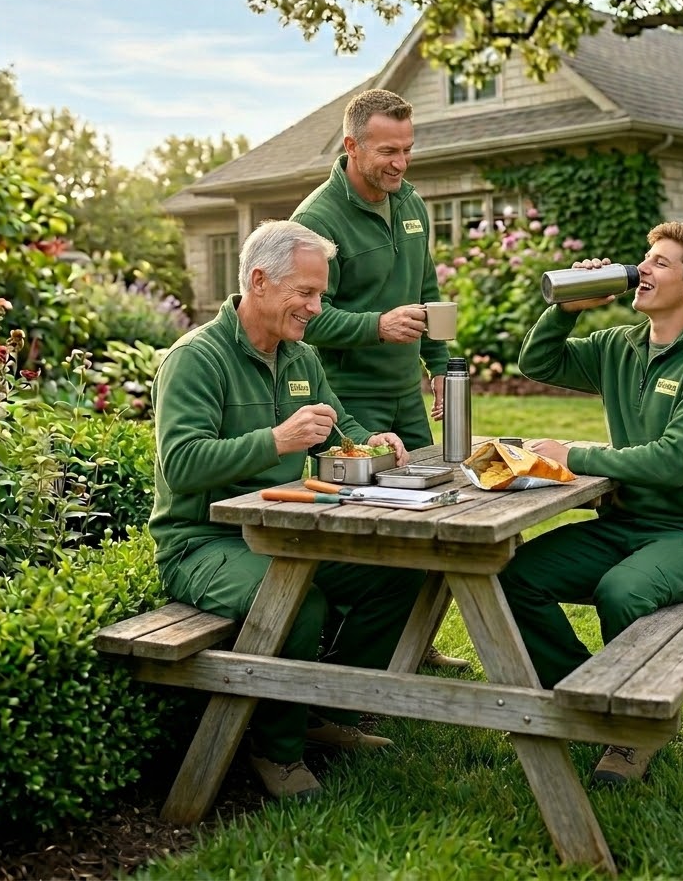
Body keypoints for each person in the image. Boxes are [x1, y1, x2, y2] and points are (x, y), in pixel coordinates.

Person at [149, 219, 426, 801]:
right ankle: (276, 749)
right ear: (258, 282)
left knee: (402, 570)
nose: (315, 306)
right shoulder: (196, 359)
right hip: (204, 544)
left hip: (281, 532)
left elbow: (336, 427)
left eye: (319, 293)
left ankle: (320, 710)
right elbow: (182, 464)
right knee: (299, 600)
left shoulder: (300, 357)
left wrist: (375, 443)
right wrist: (275, 441)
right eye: (305, 292)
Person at [498, 221, 683, 785]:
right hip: (622, 524)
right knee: (512, 576)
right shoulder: (620, 345)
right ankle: (591, 694)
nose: (643, 270)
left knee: (624, 591)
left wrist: (576, 454)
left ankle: (630, 735)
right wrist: (569, 307)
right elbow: (538, 363)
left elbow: (672, 463)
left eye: (660, 262)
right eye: (645, 257)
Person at [289, 87, 468, 671]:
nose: (400, 162)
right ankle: (348, 659)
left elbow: (429, 293)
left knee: (435, 513)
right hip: (350, 397)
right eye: (388, 151)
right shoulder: (315, 220)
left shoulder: (410, 203)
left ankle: (412, 640)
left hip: (405, 395)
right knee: (367, 526)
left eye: (408, 150)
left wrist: (440, 367)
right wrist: (375, 325)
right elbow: (306, 317)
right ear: (351, 146)